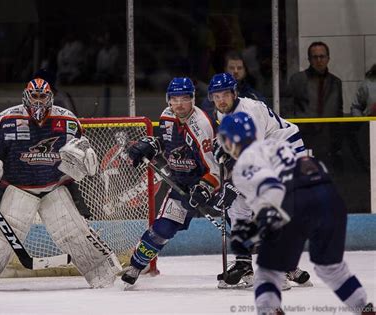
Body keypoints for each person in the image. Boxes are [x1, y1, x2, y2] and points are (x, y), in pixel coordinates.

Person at [0, 78, 122, 291]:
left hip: (54, 187)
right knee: (1, 237)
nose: (38, 100)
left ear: (50, 97)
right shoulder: (5, 119)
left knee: (74, 232)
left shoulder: (68, 121)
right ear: (26, 96)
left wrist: (85, 160)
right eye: (34, 96)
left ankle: (102, 273)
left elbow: (81, 150)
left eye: (42, 96)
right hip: (17, 189)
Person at [218, 112, 374, 315]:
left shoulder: (243, 166)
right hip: (330, 199)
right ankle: (364, 309)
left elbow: (273, 192)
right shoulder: (279, 144)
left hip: (297, 202)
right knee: (330, 268)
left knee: (267, 274)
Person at [207, 72, 309, 289]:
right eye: (216, 96)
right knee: (238, 204)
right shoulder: (223, 112)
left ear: (235, 93)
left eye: (225, 94)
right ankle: (245, 263)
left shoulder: (250, 111)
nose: (221, 100)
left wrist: (233, 183)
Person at [121, 77, 221, 286]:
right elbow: (167, 143)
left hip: (209, 185)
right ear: (168, 100)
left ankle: (285, 265)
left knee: (240, 223)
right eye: (174, 99)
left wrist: (204, 188)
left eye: (184, 98)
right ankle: (136, 266)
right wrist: (152, 146)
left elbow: (216, 169)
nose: (179, 104)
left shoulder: (202, 125)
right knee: (162, 229)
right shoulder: (166, 116)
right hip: (181, 185)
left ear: (192, 99)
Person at [200, 51, 266, 117]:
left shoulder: (254, 97)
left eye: (239, 68)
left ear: (245, 71)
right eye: (232, 68)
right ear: (225, 69)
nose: (236, 71)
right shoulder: (214, 97)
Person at [286, 41, 343, 118]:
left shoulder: (336, 82)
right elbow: (288, 107)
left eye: (322, 56)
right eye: (315, 57)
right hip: (303, 127)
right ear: (309, 59)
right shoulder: (297, 80)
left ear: (328, 59)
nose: (319, 60)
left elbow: (338, 110)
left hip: (329, 128)